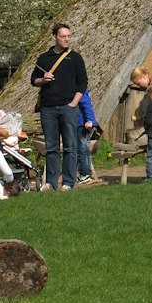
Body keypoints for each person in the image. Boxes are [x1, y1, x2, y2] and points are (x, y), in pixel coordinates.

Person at [31, 23, 88, 190]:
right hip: (48, 108)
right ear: (54, 37)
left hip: (68, 107)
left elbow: (83, 82)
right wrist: (44, 79)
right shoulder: (44, 58)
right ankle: (51, 182)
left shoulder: (75, 57)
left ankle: (69, 182)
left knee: (71, 145)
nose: (67, 39)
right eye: (63, 36)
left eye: (69, 36)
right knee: (52, 146)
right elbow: (33, 80)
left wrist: (74, 103)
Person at [76, 89, 100, 186]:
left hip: (82, 124)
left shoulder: (79, 89)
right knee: (81, 148)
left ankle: (85, 174)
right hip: (78, 123)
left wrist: (90, 120)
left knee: (82, 149)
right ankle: (84, 173)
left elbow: (87, 104)